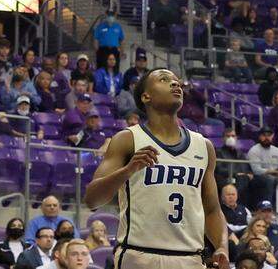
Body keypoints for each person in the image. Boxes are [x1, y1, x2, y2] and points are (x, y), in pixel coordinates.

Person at [84, 68, 229, 269]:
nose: (175, 84)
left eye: (177, 81)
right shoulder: (127, 139)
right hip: (139, 256)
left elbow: (212, 209)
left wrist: (222, 246)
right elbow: (92, 200)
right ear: (146, 96)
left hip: (190, 258)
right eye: (164, 79)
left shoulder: (204, 146)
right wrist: (128, 170)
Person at [245, 128, 278, 210]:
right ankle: (268, 209)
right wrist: (275, 172)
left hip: (275, 177)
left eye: (269, 135)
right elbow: (257, 170)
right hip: (257, 179)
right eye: (264, 135)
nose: (266, 138)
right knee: (270, 179)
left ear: (272, 136)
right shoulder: (254, 150)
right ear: (260, 137)